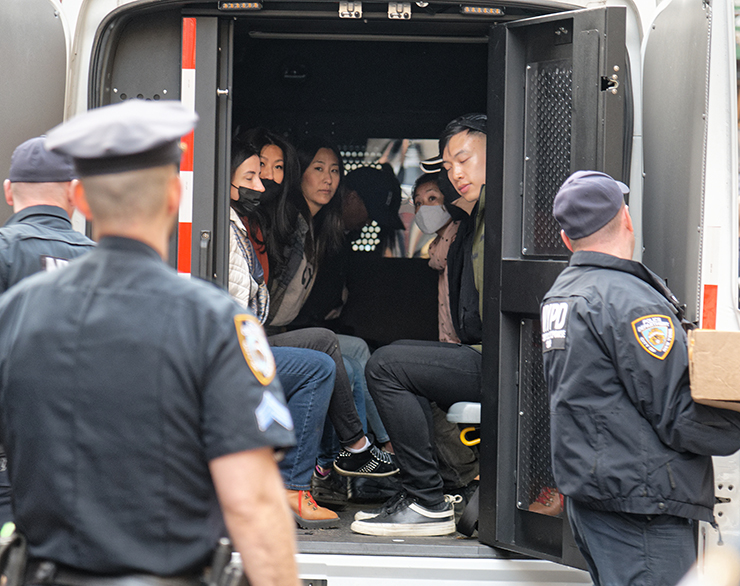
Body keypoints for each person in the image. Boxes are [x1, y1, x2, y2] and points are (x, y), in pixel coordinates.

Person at [0, 99, 299, 586]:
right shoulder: (215, 323)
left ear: (81, 199)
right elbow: (253, 502)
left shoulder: (15, 312)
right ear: (173, 196)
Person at [541, 170, 740, 586]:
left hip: (599, 499)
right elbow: (678, 415)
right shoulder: (630, 302)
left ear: (566, 239)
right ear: (626, 218)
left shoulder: (564, 293)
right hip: (640, 508)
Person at [227, 137, 398, 498]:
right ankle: (332, 464)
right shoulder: (276, 223)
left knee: (346, 350)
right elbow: (258, 304)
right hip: (252, 339)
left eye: (335, 171)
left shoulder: (318, 227)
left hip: (274, 331)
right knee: (332, 363)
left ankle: (366, 453)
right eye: (318, 169)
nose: (328, 179)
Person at [351, 113, 487, 537]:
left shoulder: (501, 216)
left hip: (503, 359)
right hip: (481, 353)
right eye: (448, 166)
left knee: (385, 365)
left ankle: (426, 501)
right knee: (392, 359)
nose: (455, 174)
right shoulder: (473, 219)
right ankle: (429, 492)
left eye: (464, 160)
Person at [0, 137, 97, 527]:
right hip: (83, 466)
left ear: (9, 191)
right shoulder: (105, 262)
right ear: (75, 193)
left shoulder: (5, 251)